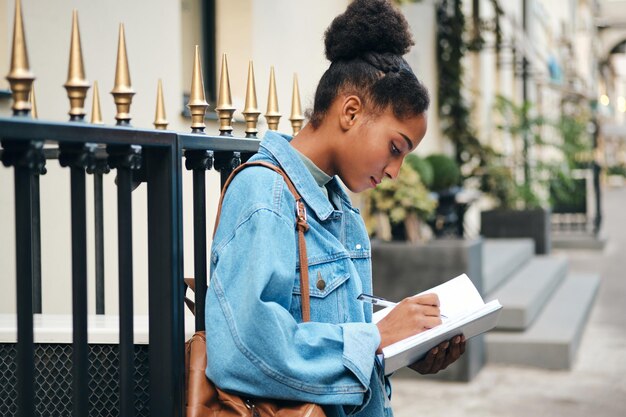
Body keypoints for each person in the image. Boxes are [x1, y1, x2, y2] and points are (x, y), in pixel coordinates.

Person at [205, 0, 466, 415]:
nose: (396, 171)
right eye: (395, 148)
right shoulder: (265, 196)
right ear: (350, 111)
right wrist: (376, 337)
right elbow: (243, 348)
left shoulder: (339, 206)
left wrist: (403, 347)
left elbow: (337, 352)